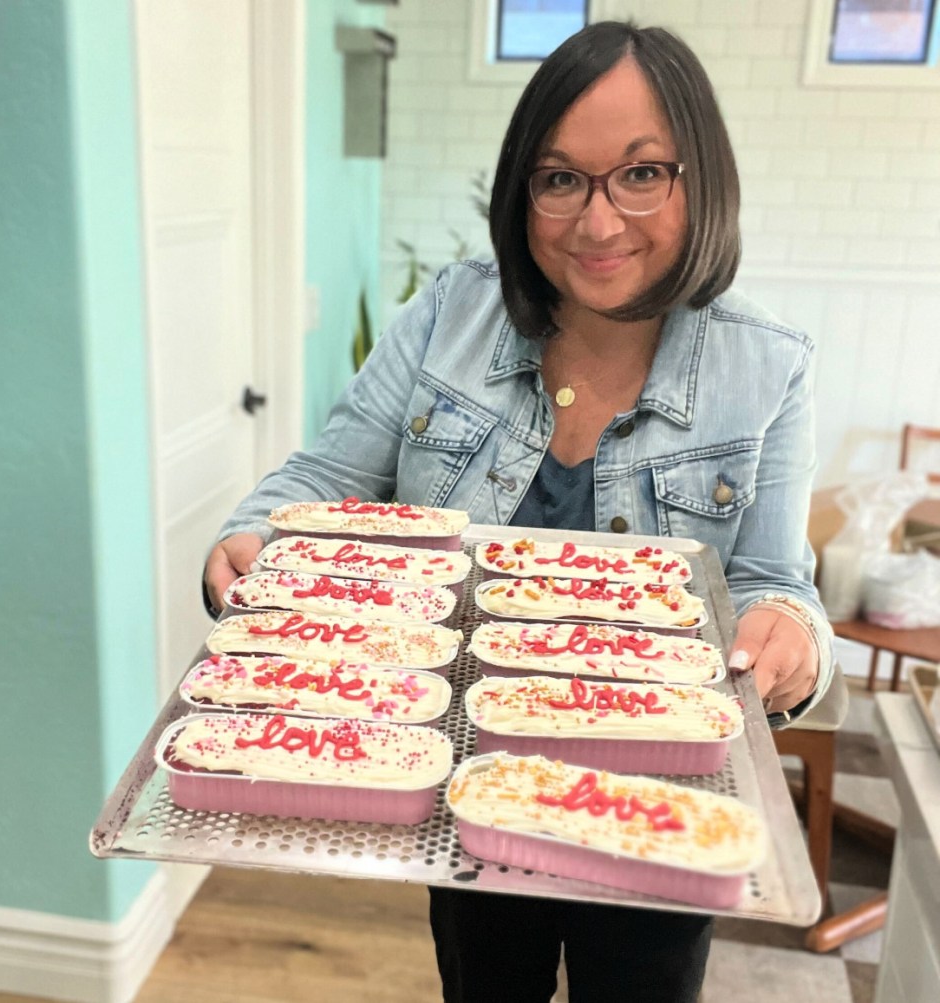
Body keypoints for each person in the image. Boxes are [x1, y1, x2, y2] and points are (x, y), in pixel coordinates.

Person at [204, 20, 834, 1003]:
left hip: (656, 800)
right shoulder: (449, 316)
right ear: (521, 191)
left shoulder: (767, 367)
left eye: (640, 175)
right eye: (558, 179)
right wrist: (255, 534)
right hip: (474, 774)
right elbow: (325, 478)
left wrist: (788, 632)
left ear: (698, 179)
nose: (596, 222)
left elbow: (770, 583)